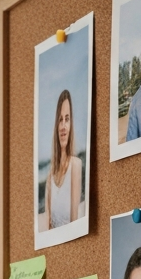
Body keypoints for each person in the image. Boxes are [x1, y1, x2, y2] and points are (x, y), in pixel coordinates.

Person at [45, 90, 82, 230]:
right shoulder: (50, 176)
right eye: (60, 120)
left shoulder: (76, 165)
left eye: (67, 119)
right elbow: (49, 227)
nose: (63, 127)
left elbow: (74, 222)